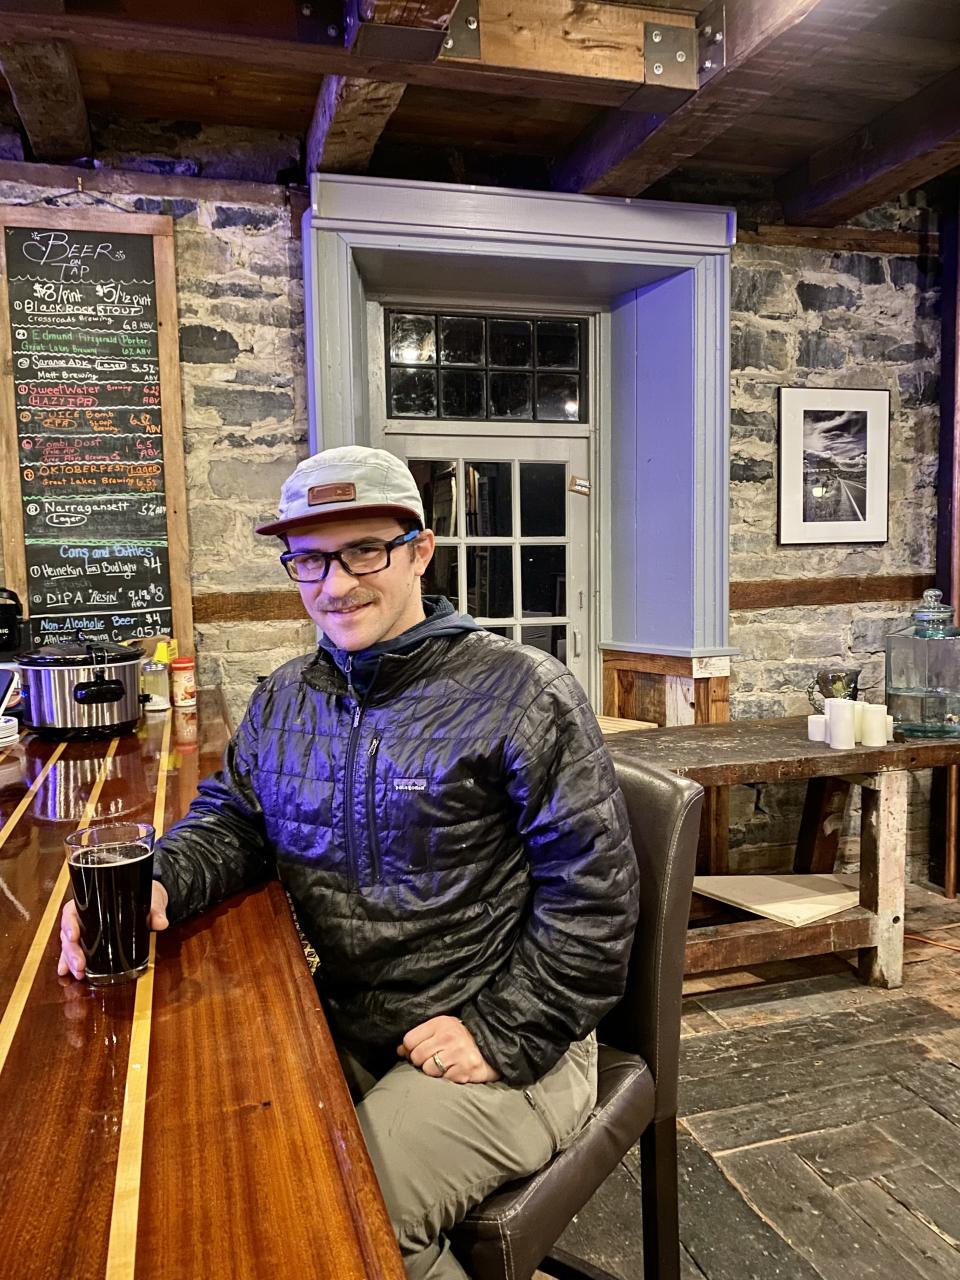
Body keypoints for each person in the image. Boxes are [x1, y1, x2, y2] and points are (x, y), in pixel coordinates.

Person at [59, 445, 640, 1280]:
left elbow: (597, 900)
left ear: (420, 550)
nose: (335, 584)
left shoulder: (524, 692)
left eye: (364, 549)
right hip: (351, 1021)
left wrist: (504, 1030)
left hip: (515, 1036)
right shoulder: (287, 696)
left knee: (342, 1222)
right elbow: (237, 823)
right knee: (220, 1175)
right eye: (309, 558)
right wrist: (161, 877)